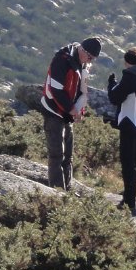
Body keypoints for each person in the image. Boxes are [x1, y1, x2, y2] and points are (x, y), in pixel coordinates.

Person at [40, 37, 100, 189]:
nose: (90, 61)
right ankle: (57, 192)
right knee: (57, 155)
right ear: (82, 50)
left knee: (68, 156)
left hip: (67, 114)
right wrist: (72, 110)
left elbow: (80, 90)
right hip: (54, 111)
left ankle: (67, 189)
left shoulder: (81, 62)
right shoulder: (62, 60)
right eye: (90, 57)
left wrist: (80, 110)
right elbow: (56, 90)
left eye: (93, 59)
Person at [108, 47, 136, 214]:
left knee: (128, 164)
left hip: (130, 124)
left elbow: (115, 98)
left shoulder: (130, 76)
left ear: (127, 62)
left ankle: (129, 202)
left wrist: (111, 84)